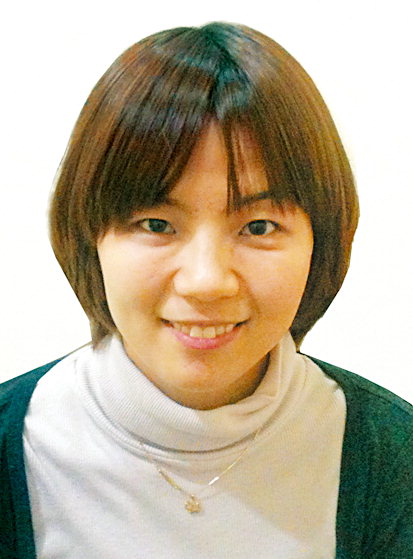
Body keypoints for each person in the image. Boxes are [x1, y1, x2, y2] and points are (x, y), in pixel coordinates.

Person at [0, 22, 412, 559]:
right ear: (88, 236)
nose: (206, 281)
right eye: (156, 224)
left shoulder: (393, 463)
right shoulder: (15, 449)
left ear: (322, 242)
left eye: (259, 226)